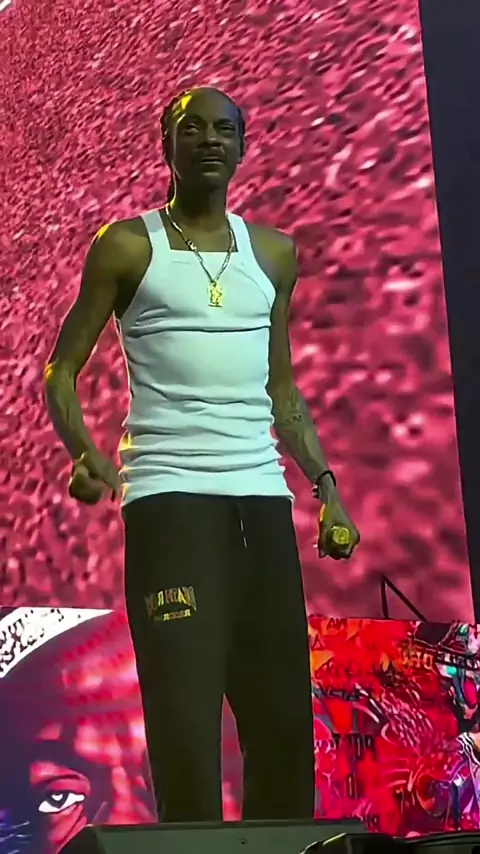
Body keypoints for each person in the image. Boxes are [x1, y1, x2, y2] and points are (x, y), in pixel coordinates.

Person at [44, 86, 360, 823]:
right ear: (168, 143)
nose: (211, 141)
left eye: (225, 130)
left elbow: (282, 391)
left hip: (262, 502)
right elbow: (62, 370)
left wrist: (327, 488)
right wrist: (83, 451)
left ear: (243, 147)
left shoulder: (273, 254)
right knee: (185, 720)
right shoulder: (127, 246)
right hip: (171, 503)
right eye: (194, 129)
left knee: (281, 719)